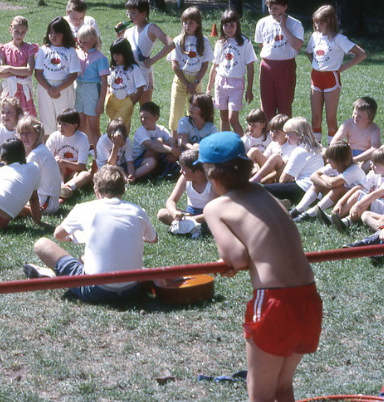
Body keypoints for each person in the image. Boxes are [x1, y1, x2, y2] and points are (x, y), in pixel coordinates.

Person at [199, 131, 321, 402]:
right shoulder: (267, 195)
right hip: (309, 299)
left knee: (260, 395)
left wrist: (229, 260)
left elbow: (237, 257)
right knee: (282, 387)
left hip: (275, 303)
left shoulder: (216, 207)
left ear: (212, 178)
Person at [24, 165, 157, 303]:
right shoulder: (137, 211)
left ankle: (56, 274)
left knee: (42, 244)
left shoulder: (85, 208)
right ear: (123, 189)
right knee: (85, 257)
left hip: (97, 291)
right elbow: (153, 239)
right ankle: (61, 274)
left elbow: (58, 235)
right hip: (132, 290)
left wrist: (71, 238)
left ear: (96, 189)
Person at [305, 5, 367, 143]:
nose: (317, 25)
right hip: (316, 78)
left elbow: (361, 54)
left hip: (331, 79)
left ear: (330, 22)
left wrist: (342, 68)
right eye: (316, 22)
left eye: (321, 22)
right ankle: (316, 148)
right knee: (315, 118)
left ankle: (333, 150)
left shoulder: (339, 38)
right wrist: (316, 63)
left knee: (331, 119)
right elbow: (308, 52)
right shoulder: (315, 36)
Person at [254, 0, 305, 120]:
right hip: (267, 66)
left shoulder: (295, 24)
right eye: (270, 8)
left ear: (285, 7)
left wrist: (283, 26)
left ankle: (284, 137)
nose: (272, 11)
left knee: (284, 107)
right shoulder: (262, 22)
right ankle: (266, 137)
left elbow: (297, 46)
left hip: (286, 66)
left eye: (275, 8)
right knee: (266, 106)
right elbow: (262, 45)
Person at [205, 9, 257, 135]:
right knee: (223, 118)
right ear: (222, 26)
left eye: (232, 25)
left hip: (237, 84)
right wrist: (208, 88)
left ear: (237, 25)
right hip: (220, 82)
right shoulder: (220, 43)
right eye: (226, 25)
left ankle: (243, 146)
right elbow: (214, 66)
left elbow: (250, 68)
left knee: (232, 118)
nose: (229, 28)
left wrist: (249, 89)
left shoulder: (245, 43)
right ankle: (225, 146)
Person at [290, 142, 366, 224]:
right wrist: (327, 183)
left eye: (330, 159)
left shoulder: (354, 169)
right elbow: (313, 176)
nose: (327, 161)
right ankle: (298, 209)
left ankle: (310, 214)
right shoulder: (335, 166)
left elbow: (333, 183)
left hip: (357, 203)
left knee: (338, 188)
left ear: (340, 160)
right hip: (341, 199)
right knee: (317, 184)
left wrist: (323, 177)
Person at [167, 7, 213, 134]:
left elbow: (205, 65)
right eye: (185, 22)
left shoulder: (204, 41)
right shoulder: (177, 40)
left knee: (196, 111)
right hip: (181, 80)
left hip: (196, 80)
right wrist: (187, 84)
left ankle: (193, 136)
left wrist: (196, 82)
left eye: (191, 22)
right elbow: (175, 65)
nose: (187, 25)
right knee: (176, 111)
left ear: (198, 24)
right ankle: (174, 138)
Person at [330, 147, 384, 230]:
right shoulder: (374, 173)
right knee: (360, 193)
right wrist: (340, 202)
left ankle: (347, 221)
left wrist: (358, 205)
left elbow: (376, 194)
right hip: (378, 204)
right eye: (372, 163)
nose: (371, 166)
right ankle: (336, 215)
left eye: (376, 165)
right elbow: (359, 187)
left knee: (367, 198)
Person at [121, 0, 173, 105]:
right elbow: (120, 51)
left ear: (144, 13)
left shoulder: (150, 28)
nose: (130, 17)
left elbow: (170, 44)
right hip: (129, 74)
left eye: (133, 13)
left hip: (143, 73)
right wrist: (119, 36)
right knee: (125, 108)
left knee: (145, 108)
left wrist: (152, 60)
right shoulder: (129, 31)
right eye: (128, 13)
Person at [34, 17, 81, 137]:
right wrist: (50, 89)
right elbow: (38, 73)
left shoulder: (70, 51)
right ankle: (49, 149)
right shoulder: (43, 50)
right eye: (51, 32)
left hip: (64, 89)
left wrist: (58, 89)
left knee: (65, 120)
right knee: (47, 121)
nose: (53, 36)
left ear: (64, 34)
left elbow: (73, 75)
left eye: (57, 33)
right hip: (45, 89)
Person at [264, 117, 324, 206]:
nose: (286, 136)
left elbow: (283, 179)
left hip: (303, 188)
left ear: (299, 134)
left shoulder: (299, 151)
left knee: (264, 189)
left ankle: (280, 202)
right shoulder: (314, 147)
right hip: (316, 193)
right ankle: (285, 201)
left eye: (289, 134)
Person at [156, 148, 213, 237]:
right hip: (190, 213)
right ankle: (192, 227)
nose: (180, 171)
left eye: (184, 169)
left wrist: (190, 220)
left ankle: (190, 227)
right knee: (162, 214)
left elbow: (213, 211)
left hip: (208, 216)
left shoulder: (211, 184)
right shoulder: (184, 178)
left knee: (221, 221)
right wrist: (175, 213)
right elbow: (171, 200)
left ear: (197, 173)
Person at [17, 116, 62, 214]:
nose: (24, 136)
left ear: (37, 133)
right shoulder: (40, 149)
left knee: (7, 206)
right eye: (22, 133)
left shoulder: (36, 154)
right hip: (49, 200)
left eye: (28, 132)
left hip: (45, 203)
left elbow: (23, 182)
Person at [0, 15, 38, 117]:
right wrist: (18, 72)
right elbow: (0, 73)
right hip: (9, 89)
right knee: (10, 115)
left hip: (23, 90)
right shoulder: (4, 48)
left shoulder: (29, 48)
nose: (20, 35)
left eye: (23, 32)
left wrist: (9, 69)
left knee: (26, 117)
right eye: (17, 31)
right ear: (11, 29)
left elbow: (28, 71)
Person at [74, 25, 109, 149]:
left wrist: (101, 103)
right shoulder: (77, 54)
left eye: (85, 42)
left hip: (92, 91)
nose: (82, 44)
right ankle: (80, 157)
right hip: (79, 89)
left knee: (94, 128)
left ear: (93, 40)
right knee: (79, 127)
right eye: (80, 41)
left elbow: (104, 82)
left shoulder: (100, 58)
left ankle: (98, 160)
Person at [46, 108, 92, 199]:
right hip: (58, 171)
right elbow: (47, 159)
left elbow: (81, 166)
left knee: (86, 175)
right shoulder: (54, 136)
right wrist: (58, 163)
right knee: (59, 168)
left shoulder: (82, 138)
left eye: (64, 124)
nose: (60, 127)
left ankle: (66, 188)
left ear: (74, 126)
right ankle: (63, 187)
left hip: (74, 171)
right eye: (59, 123)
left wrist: (65, 163)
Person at [105, 38, 145, 134]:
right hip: (112, 99)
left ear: (125, 53)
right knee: (111, 124)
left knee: (122, 126)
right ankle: (112, 145)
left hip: (126, 100)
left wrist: (131, 102)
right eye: (113, 54)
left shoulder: (133, 68)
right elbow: (108, 84)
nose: (115, 57)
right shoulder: (112, 68)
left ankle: (122, 145)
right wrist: (107, 97)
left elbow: (140, 88)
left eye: (118, 54)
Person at [132, 102, 180, 180]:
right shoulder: (140, 131)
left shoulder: (161, 129)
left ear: (156, 117)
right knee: (159, 142)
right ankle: (134, 176)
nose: (143, 120)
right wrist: (171, 150)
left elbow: (171, 140)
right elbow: (151, 145)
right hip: (140, 162)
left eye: (146, 117)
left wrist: (173, 153)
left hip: (155, 160)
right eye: (141, 117)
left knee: (169, 145)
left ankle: (167, 171)